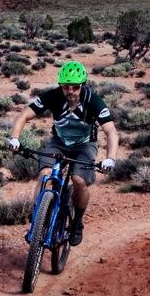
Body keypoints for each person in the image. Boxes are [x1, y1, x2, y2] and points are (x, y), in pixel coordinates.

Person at [7, 60, 118, 246]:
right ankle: (38, 220)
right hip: (59, 142)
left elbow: (110, 131)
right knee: (45, 174)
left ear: (82, 85)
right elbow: (25, 115)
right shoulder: (53, 96)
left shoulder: (92, 100)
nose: (71, 92)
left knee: (79, 180)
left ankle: (76, 224)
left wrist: (111, 159)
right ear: (61, 86)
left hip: (85, 145)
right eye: (66, 87)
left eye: (75, 87)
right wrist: (15, 138)